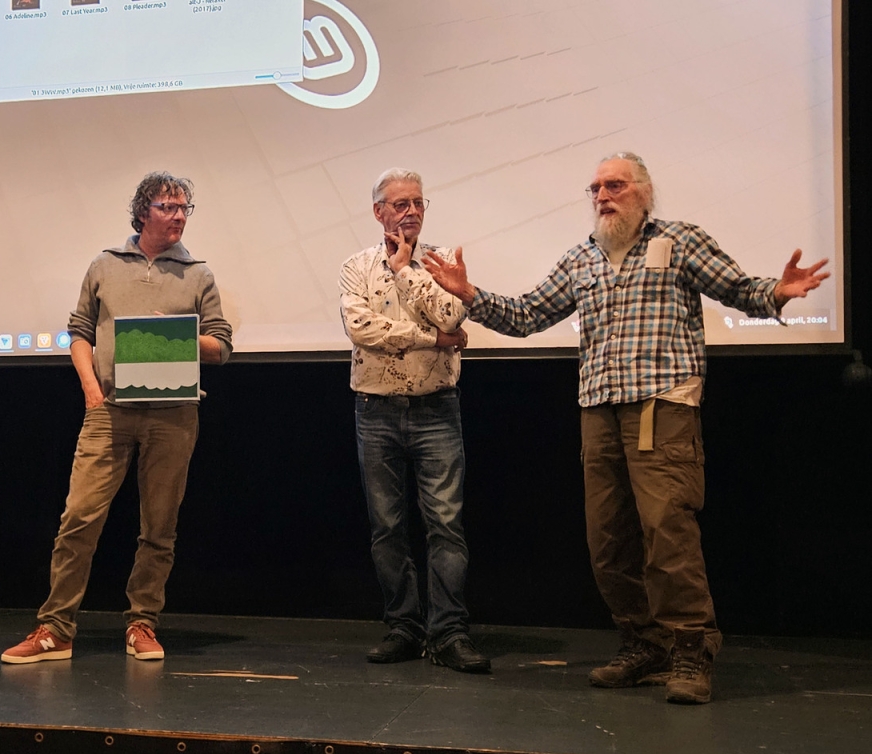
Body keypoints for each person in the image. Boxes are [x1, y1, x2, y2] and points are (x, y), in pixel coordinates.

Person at [423, 152, 829, 703]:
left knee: (667, 530)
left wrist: (777, 292)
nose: (602, 196)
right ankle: (645, 644)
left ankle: (690, 650)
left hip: (662, 404)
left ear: (643, 191)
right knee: (606, 540)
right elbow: (526, 316)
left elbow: (738, 289)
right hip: (600, 409)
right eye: (594, 188)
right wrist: (469, 294)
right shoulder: (583, 258)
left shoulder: (678, 240)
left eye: (614, 185)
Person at [2, 172, 232, 665]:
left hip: (173, 416)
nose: (178, 216)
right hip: (109, 411)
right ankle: (56, 628)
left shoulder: (199, 274)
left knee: (159, 527)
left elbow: (221, 346)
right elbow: (80, 330)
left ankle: (142, 623)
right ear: (143, 210)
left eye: (184, 208)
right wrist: (90, 389)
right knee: (78, 519)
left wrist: (171, 338)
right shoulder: (105, 264)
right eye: (168, 206)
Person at [338, 168, 489, 674]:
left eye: (418, 203)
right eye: (399, 204)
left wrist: (406, 272)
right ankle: (403, 625)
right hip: (374, 409)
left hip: (436, 409)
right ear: (378, 211)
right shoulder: (355, 267)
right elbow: (362, 330)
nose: (410, 212)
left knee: (446, 524)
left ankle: (448, 632)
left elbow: (451, 315)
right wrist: (432, 340)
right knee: (387, 527)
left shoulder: (443, 263)